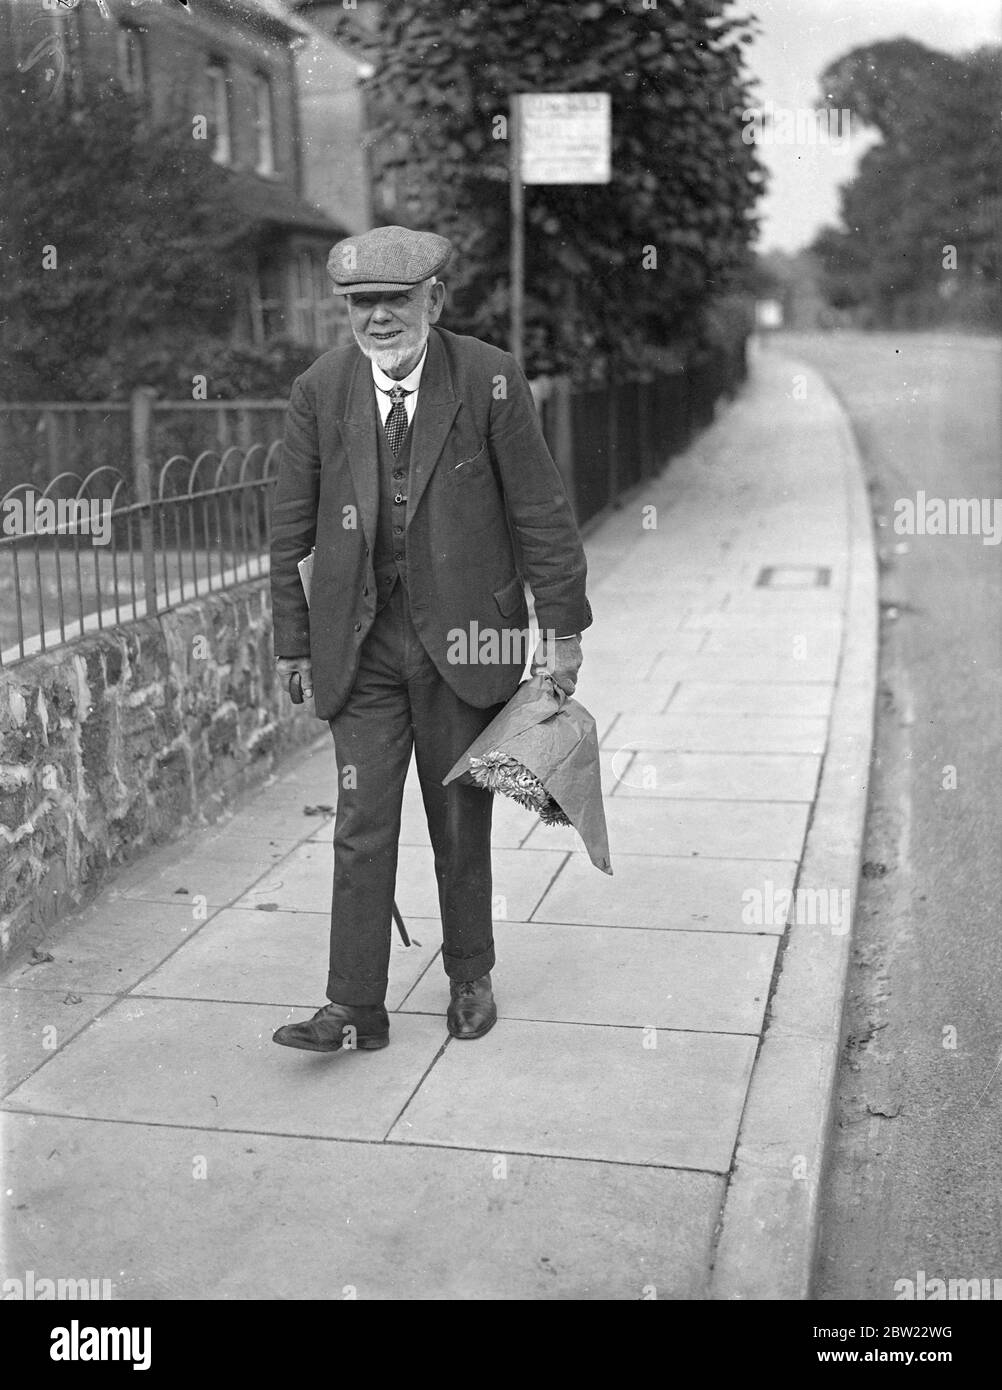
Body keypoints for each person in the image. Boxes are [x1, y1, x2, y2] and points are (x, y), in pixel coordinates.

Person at [269, 225, 590, 1054]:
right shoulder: (320, 389)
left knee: (459, 820)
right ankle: (353, 1006)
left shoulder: (487, 378)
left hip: (467, 647)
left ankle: (470, 976)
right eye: (361, 305)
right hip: (363, 647)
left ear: (433, 301)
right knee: (359, 823)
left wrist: (561, 633)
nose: (378, 320)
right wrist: (293, 643)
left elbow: (541, 513)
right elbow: (289, 528)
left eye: (395, 302)